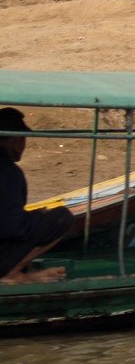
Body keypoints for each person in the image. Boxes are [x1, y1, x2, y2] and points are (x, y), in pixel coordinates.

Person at [0, 108, 74, 284]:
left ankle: (23, 271)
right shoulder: (9, 172)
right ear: (15, 140)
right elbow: (11, 227)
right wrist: (38, 216)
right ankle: (12, 273)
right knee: (62, 218)